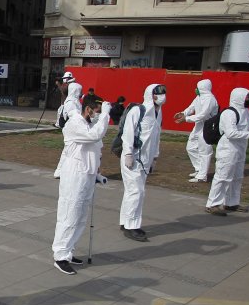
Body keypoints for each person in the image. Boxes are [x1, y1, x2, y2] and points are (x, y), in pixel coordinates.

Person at [52, 95, 111, 275]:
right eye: (98, 112)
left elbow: (92, 151)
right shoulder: (74, 124)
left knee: (80, 217)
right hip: (74, 175)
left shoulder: (88, 125)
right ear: (88, 109)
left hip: (86, 175)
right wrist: (106, 116)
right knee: (70, 214)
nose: (99, 116)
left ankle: (69, 252)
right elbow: (94, 136)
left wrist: (97, 175)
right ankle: (60, 255)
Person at [205, 88, 249, 215]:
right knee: (222, 177)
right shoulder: (229, 113)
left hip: (241, 149)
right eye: (248, 97)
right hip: (228, 149)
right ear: (239, 98)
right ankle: (212, 204)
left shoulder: (246, 112)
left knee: (237, 177)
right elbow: (231, 133)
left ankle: (232, 203)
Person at [119, 84, 166, 241]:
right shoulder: (138, 111)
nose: (162, 96)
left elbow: (156, 137)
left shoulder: (158, 114)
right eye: (159, 93)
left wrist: (154, 157)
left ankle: (125, 221)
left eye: (164, 93)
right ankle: (131, 226)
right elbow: (128, 134)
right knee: (137, 192)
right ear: (150, 95)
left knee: (132, 191)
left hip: (145, 160)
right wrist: (127, 154)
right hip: (132, 158)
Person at [175, 79, 218, 184]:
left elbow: (203, 115)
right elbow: (191, 107)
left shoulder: (210, 100)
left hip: (207, 127)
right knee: (190, 147)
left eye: (198, 87)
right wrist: (183, 113)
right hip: (198, 126)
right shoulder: (199, 97)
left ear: (202, 88)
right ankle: (199, 169)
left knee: (205, 151)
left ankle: (202, 176)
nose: (196, 90)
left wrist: (187, 119)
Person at [53, 81, 84, 178]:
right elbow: (73, 117)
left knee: (69, 151)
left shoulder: (74, 101)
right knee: (68, 151)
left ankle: (61, 170)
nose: (81, 92)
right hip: (71, 130)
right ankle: (60, 171)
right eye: (79, 90)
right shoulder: (71, 102)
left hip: (73, 129)